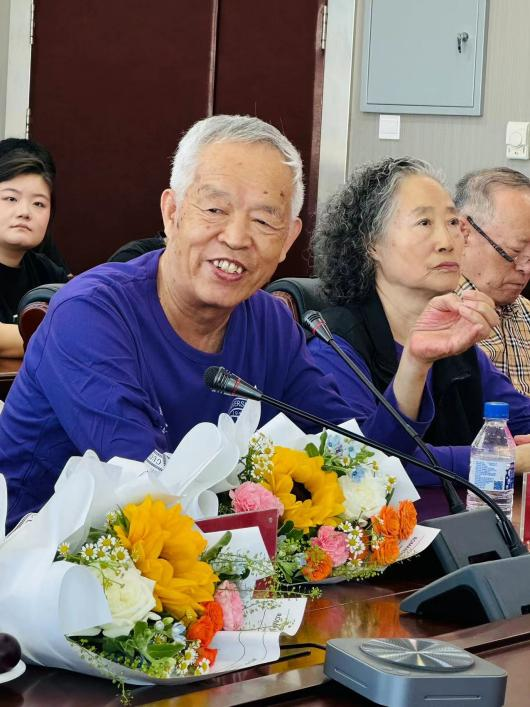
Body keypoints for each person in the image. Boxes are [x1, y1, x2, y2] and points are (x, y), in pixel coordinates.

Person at [0, 119, 493, 529]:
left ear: (288, 239)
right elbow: (145, 489)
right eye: (215, 209)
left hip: (203, 572)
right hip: (45, 573)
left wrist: (415, 362)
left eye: (263, 220)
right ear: (171, 213)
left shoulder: (269, 322)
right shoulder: (91, 314)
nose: (236, 237)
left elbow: (357, 457)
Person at [308, 157, 530, 486]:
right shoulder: (335, 344)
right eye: (424, 223)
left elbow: (519, 416)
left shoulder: (456, 337)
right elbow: (365, 466)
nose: (447, 242)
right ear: (372, 243)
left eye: (452, 222)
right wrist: (504, 458)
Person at [455, 167, 530, 395]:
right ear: (464, 231)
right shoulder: (435, 318)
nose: (526, 268)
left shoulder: (526, 312)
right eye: (514, 252)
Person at [0, 140, 69, 358]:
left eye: (39, 203)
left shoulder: (47, 272)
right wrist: (57, 337)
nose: (24, 212)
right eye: (11, 198)